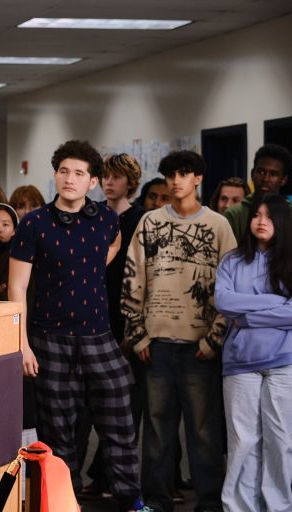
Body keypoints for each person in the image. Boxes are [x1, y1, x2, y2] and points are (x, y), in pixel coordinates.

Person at [9, 140, 147, 512]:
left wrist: (84, 271)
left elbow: (113, 245)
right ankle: (64, 503)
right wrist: (22, 345)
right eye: (64, 171)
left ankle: (131, 500)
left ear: (93, 182)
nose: (70, 179)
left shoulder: (106, 219)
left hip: (99, 338)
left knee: (119, 422)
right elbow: (17, 288)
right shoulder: (34, 223)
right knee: (59, 433)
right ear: (55, 174)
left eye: (79, 173)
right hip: (49, 338)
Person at [122, 150, 236, 512]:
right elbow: (132, 278)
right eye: (170, 175)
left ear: (198, 179)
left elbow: (232, 287)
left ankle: (208, 504)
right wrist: (138, 334)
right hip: (156, 344)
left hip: (200, 347)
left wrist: (214, 340)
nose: (175, 181)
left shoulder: (218, 225)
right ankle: (155, 502)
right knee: (156, 433)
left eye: (184, 174)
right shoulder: (149, 222)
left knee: (203, 433)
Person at [215, 193, 292, 512]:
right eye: (257, 215)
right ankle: (239, 508)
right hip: (240, 364)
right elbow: (224, 302)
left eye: (270, 216)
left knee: (281, 442)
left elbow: (238, 309)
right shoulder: (232, 260)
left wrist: (248, 316)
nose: (261, 221)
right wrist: (277, 302)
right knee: (243, 443)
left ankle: (279, 507)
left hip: (284, 363)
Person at [79, 153, 145, 498]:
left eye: (116, 177)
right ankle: (97, 475)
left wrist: (132, 330)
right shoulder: (94, 216)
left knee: (122, 408)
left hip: (125, 320)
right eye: (105, 176)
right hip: (94, 316)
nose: (109, 182)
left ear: (129, 182)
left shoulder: (139, 219)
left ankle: (116, 481)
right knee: (89, 407)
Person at [224, 143, 292, 241]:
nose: (266, 179)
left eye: (273, 174)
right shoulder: (235, 214)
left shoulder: (289, 213)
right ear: (252, 174)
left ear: (283, 180)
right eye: (261, 172)